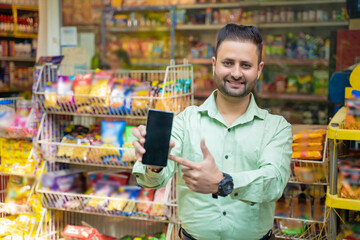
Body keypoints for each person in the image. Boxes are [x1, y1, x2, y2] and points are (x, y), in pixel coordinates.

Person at [132, 24, 292, 240]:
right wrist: (152, 161)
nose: (236, 73)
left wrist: (224, 182)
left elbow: (274, 182)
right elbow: (153, 181)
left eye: (246, 65)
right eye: (228, 63)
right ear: (214, 64)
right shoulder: (185, 121)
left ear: (259, 69)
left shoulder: (276, 127)